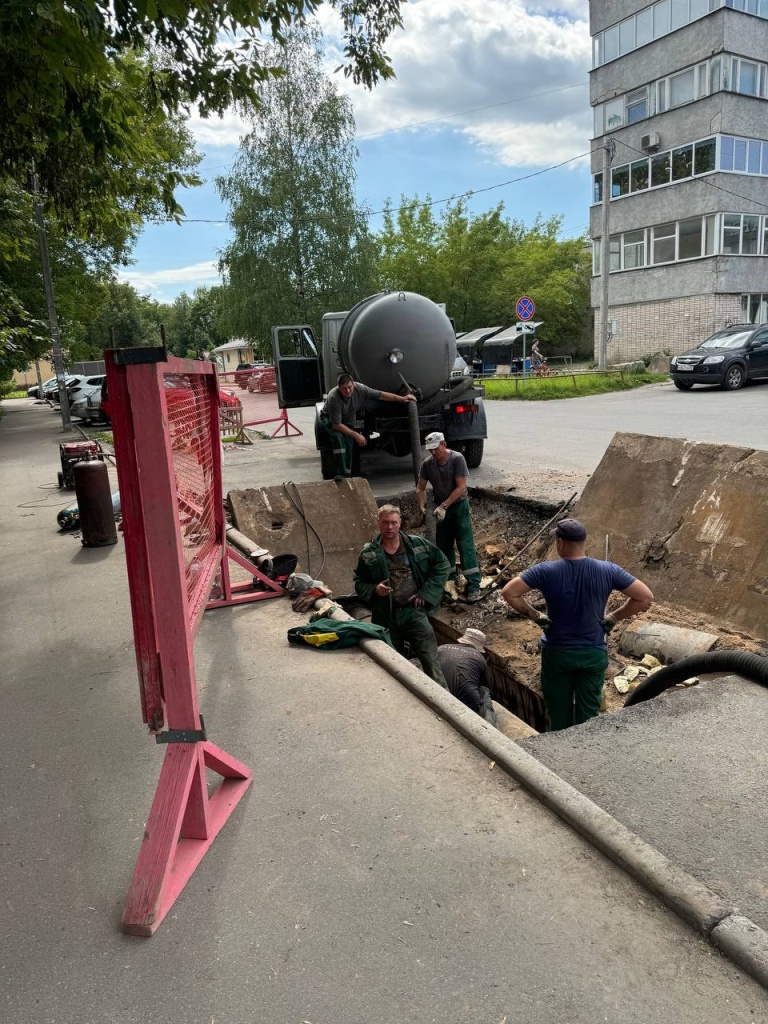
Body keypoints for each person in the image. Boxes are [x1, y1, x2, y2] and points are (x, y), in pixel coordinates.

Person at [501, 518, 654, 732]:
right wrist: (614, 617)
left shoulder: (545, 571)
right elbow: (645, 597)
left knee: (558, 715)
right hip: (592, 653)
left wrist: (535, 615)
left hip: (557, 654)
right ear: (584, 542)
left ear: (560, 543)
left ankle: (558, 758)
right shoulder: (608, 570)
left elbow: (509, 592)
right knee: (588, 719)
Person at [353, 504, 450, 687]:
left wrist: (426, 593)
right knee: (392, 666)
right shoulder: (369, 553)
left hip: (413, 612)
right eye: (385, 523)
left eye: (393, 523)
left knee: (431, 662)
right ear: (378, 524)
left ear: (399, 524)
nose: (389, 527)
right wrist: (374, 589)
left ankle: (446, 705)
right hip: (385, 617)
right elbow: (359, 581)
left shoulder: (417, 545)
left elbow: (442, 565)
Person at [416, 431, 482, 602]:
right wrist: (422, 508)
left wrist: (444, 506)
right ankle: (450, 584)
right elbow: (420, 488)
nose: (433, 453)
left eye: (436, 449)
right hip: (440, 509)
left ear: (443, 445)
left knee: (465, 545)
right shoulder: (428, 464)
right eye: (430, 450)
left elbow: (460, 487)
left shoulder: (457, 459)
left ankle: (474, 586)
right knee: (444, 546)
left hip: (458, 507)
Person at [320, 372, 417, 479]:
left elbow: (381, 395)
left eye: (349, 387)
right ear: (339, 388)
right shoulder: (334, 397)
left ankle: (353, 473)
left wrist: (402, 399)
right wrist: (357, 435)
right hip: (331, 419)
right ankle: (341, 473)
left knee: (350, 442)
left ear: (354, 385)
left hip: (348, 417)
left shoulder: (360, 389)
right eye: (344, 389)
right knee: (338, 438)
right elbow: (336, 425)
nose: (347, 391)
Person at [437, 628, 496, 725]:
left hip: (439, 691)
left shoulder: (441, 648)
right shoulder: (479, 658)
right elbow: (480, 684)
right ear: (478, 646)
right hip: (467, 701)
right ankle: (489, 724)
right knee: (485, 691)